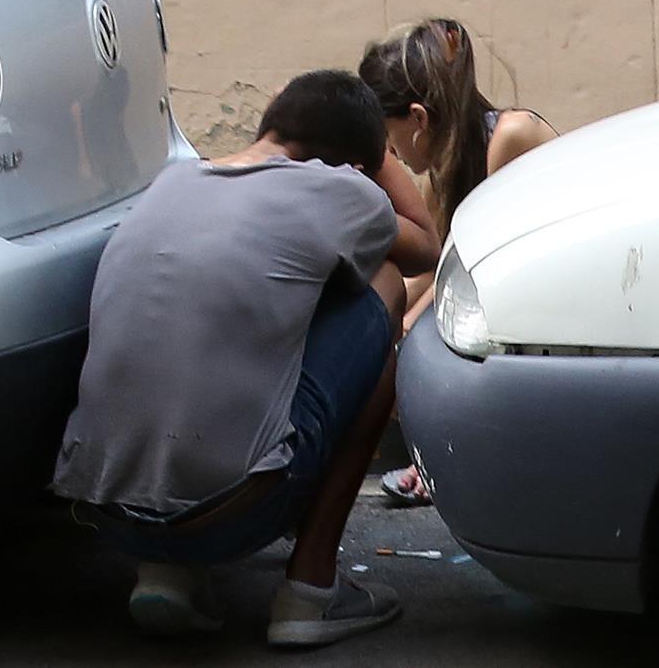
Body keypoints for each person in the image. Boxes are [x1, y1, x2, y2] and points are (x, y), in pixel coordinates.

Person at [50, 70, 440, 646]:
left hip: (109, 516)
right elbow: (425, 246)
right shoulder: (340, 191)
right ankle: (310, 593)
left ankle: (168, 574)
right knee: (380, 285)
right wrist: (374, 154)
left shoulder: (171, 184)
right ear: (354, 162)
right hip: (232, 514)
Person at [359, 18, 559, 504]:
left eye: (389, 135)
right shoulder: (444, 172)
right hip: (510, 306)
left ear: (418, 119)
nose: (390, 152)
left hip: (562, 314)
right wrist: (374, 324)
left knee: (429, 341)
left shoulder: (510, 138)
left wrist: (401, 329)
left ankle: (447, 459)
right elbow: (430, 270)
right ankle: (441, 457)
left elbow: (476, 274)